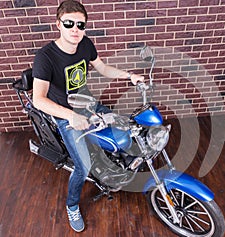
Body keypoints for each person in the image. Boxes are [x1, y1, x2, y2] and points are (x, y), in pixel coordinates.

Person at [32, 0, 144, 232]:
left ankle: (113, 166)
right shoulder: (46, 57)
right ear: (58, 24)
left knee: (127, 128)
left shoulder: (85, 44)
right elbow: (39, 99)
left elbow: (102, 68)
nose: (75, 29)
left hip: (88, 104)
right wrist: (70, 116)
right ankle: (72, 205)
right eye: (69, 23)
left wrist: (129, 76)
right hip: (65, 114)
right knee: (82, 168)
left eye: (80, 25)